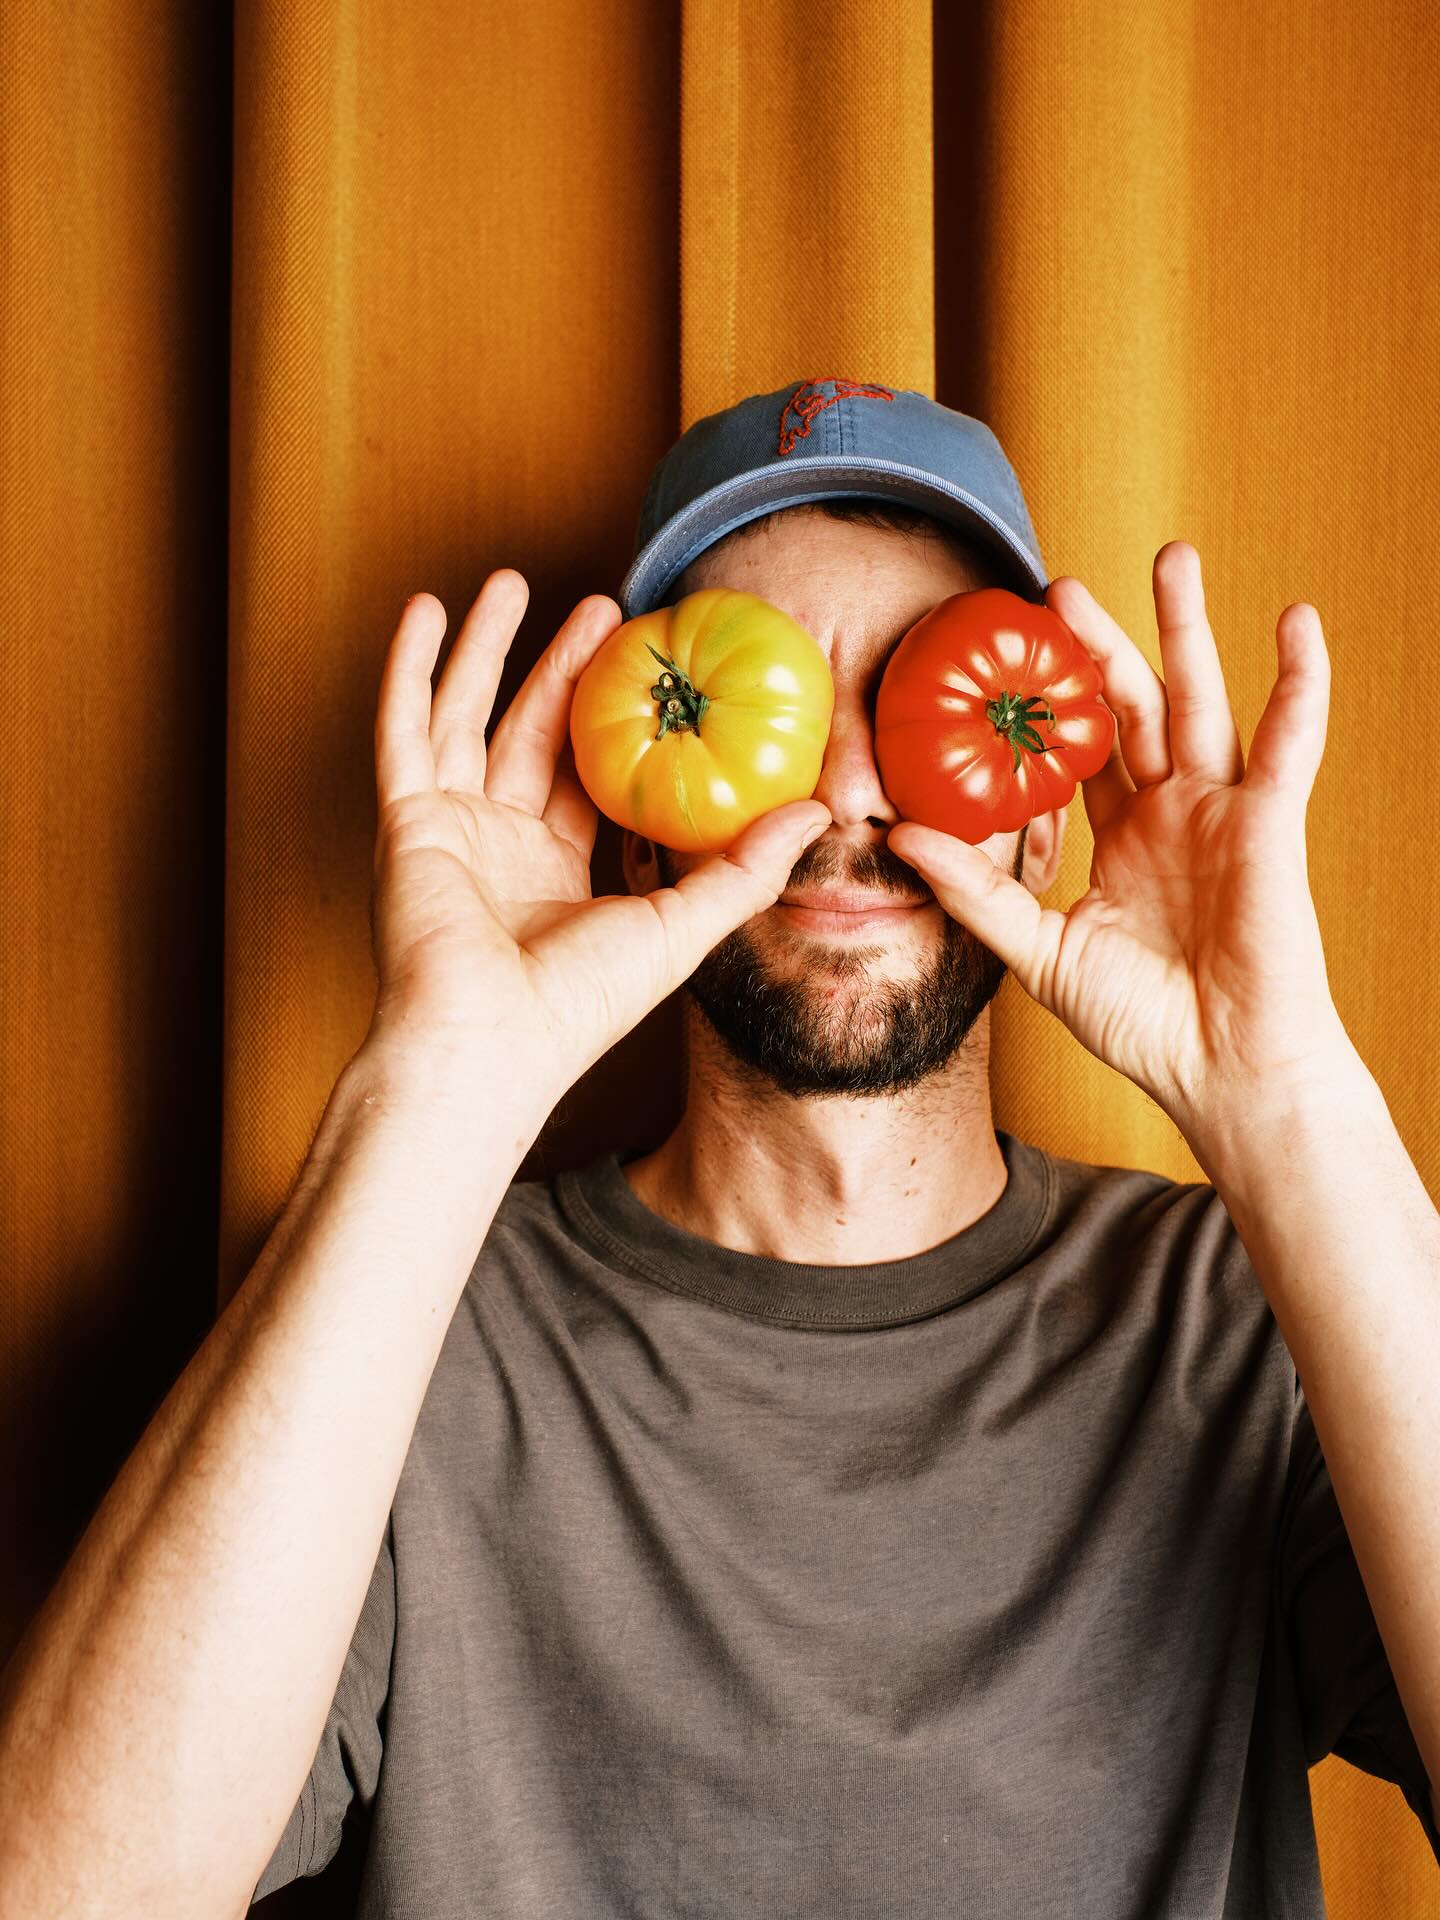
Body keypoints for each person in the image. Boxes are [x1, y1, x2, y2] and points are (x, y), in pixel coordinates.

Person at [0, 377, 1436, 1919]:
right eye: (773, 706)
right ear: (635, 821)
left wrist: (1283, 1095)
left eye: (925, 699)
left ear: (1039, 822)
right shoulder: (405, 1316)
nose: (848, 792)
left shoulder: (1249, 1310)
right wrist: (437, 1091)